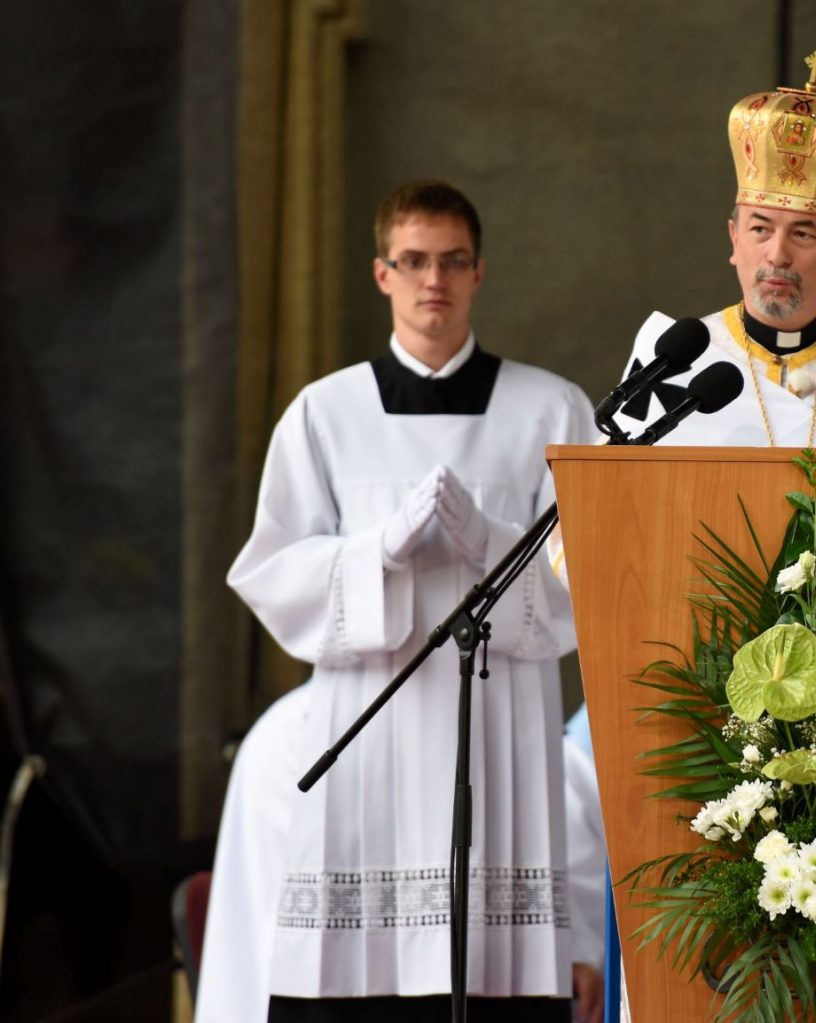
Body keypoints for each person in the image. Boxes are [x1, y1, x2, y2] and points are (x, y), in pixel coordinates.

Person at [196, 180, 601, 1023]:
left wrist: (491, 541)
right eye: (413, 261)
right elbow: (269, 570)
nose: (434, 282)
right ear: (381, 272)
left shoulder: (551, 410)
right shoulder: (324, 414)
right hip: (366, 749)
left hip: (498, 740)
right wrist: (372, 554)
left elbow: (597, 584)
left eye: (453, 261)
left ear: (480, 271)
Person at [606, 51, 816, 451]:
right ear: (734, 240)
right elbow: (604, 499)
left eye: (803, 234)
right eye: (760, 229)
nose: (777, 255)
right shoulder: (670, 364)